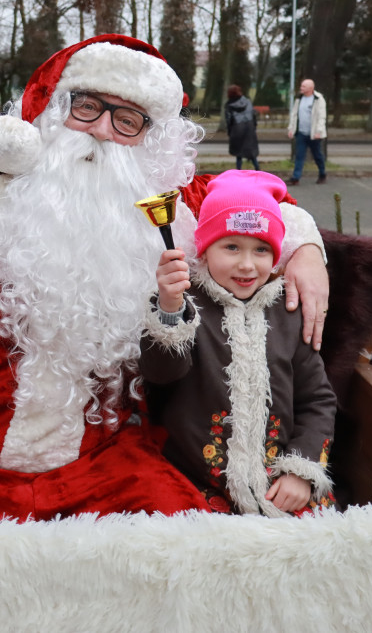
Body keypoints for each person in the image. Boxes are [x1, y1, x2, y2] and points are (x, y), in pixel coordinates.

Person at [0, 34, 331, 520]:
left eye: (127, 120)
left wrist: (303, 246)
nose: (101, 131)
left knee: (192, 553)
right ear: (49, 110)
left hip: (102, 466)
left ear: (149, 138)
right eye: (87, 106)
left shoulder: (166, 202)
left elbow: (253, 201)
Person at [139, 170, 337, 516]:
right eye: (231, 247)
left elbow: (317, 399)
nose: (246, 265)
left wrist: (300, 471)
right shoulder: (190, 304)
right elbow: (161, 376)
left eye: (261, 250)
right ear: (205, 248)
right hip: (196, 483)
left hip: (277, 483)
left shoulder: (288, 311)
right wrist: (170, 308)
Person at [286, 78, 327, 185]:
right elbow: (294, 115)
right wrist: (291, 129)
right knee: (299, 156)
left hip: (314, 134)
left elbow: (321, 117)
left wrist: (319, 131)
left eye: (303, 86)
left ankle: (322, 174)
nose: (301, 88)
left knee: (317, 155)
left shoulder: (318, 99)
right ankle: (296, 178)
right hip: (301, 133)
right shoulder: (299, 99)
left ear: (310, 88)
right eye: (301, 86)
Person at [224, 85, 260, 170]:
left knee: (238, 153)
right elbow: (253, 114)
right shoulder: (247, 101)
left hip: (237, 129)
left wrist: (229, 132)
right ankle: (258, 169)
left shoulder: (229, 105)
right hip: (249, 127)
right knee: (251, 152)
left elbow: (228, 120)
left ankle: (238, 171)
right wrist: (254, 127)